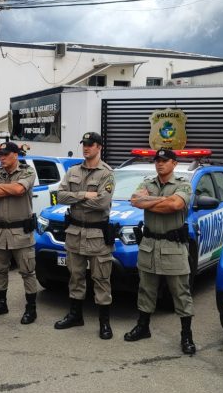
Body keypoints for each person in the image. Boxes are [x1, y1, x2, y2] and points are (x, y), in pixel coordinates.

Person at [125, 148, 196, 355]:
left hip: (173, 247)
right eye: (157, 160)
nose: (160, 163)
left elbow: (175, 205)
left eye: (165, 160)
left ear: (174, 163)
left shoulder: (183, 184)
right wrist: (161, 201)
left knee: (181, 293)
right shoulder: (147, 183)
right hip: (149, 245)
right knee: (146, 289)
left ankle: (186, 335)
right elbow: (135, 200)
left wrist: (151, 202)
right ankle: (143, 326)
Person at [54, 132, 116, 339]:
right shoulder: (72, 170)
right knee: (75, 276)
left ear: (99, 147)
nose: (86, 147)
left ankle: (104, 323)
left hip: (97, 234)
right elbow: (59, 196)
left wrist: (75, 199)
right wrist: (83, 195)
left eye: (90, 144)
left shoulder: (106, 173)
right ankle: (75, 315)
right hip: (74, 232)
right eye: (84, 144)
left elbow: (102, 203)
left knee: (101, 278)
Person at [0, 142, 38, 323]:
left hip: (21, 231)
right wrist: (9, 189)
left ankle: (31, 308)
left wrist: (3, 189)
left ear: (15, 155)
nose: (2, 157)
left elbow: (20, 189)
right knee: (0, 270)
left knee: (27, 271)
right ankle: (1, 303)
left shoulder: (27, 171)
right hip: (0, 231)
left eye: (5, 154)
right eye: (0, 154)